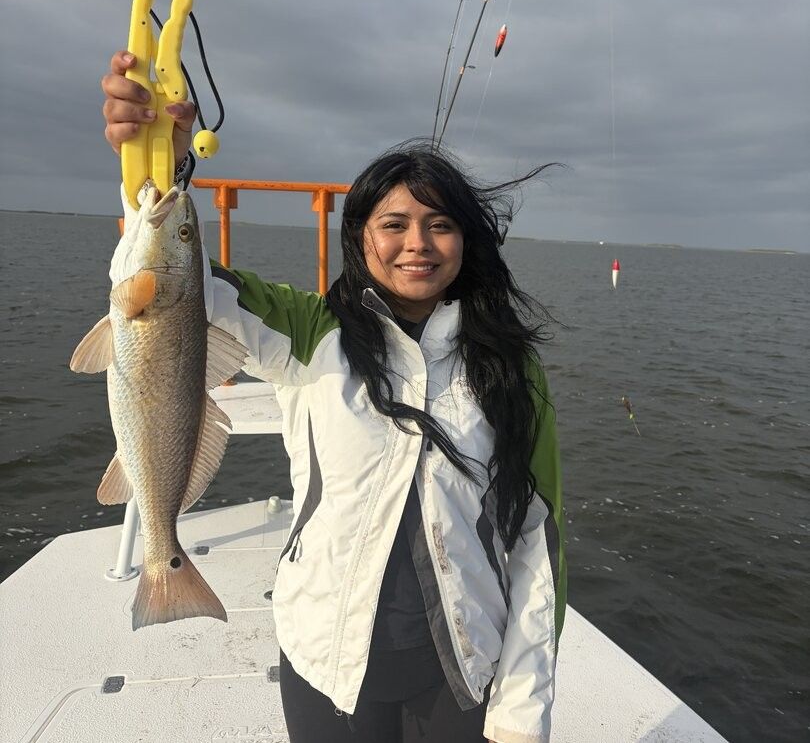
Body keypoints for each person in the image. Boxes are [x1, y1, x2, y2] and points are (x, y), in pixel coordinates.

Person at [101, 51, 566, 743]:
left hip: (466, 669)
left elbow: (538, 541)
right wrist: (161, 168)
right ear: (359, 237)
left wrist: (522, 714)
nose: (418, 243)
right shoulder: (309, 330)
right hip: (325, 662)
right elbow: (185, 290)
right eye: (394, 224)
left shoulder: (512, 369)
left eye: (440, 225)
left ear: (467, 241)